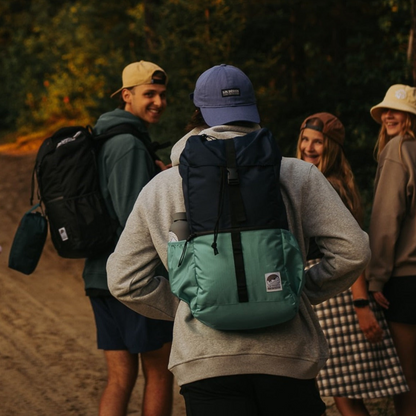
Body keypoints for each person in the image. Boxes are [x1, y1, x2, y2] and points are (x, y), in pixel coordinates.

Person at [106, 64, 371, 416]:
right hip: (288, 358)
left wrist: (198, 300)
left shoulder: (164, 186)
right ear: (251, 109)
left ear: (198, 113)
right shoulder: (298, 174)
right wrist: (295, 290)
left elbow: (124, 280)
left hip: (206, 363)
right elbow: (354, 250)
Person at [297, 112, 408, 416]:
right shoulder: (324, 181)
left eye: (318, 142)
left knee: (342, 391)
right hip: (331, 289)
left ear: (331, 147)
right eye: (305, 139)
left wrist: (361, 304)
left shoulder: (328, 186)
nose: (309, 147)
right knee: (341, 390)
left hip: (338, 294)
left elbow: (350, 250)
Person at [83, 60, 174, 416]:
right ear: (127, 95)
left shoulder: (108, 136)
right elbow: (136, 219)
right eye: (149, 94)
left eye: (163, 95)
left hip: (100, 275)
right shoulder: (129, 145)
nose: (158, 101)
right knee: (159, 373)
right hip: (134, 280)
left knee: (120, 378)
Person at [367, 84, 416, 416]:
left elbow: (387, 217)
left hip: (405, 281)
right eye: (385, 110)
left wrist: (376, 278)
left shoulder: (398, 149)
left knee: (408, 381)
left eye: (396, 110)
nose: (388, 115)